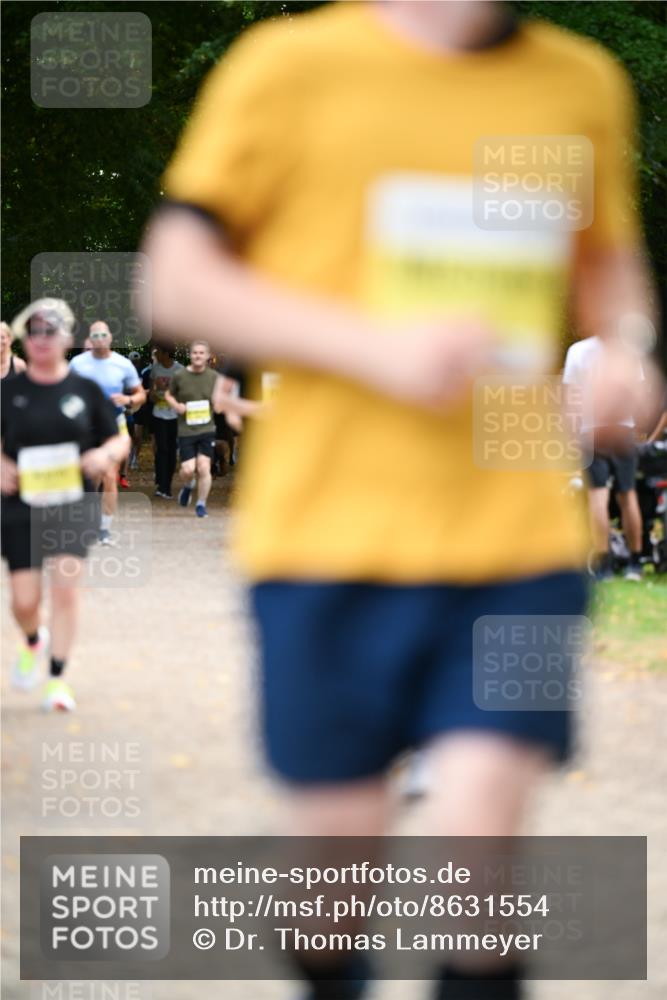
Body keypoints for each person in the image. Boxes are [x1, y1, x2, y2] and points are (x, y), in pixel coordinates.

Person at [142, 2, 662, 997]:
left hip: (514, 543)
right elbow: (175, 280)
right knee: (334, 877)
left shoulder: (576, 82)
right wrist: (374, 347)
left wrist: (627, 351)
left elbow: (605, 264)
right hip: (330, 539)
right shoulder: (287, 68)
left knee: (480, 863)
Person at [1, 299, 124, 711]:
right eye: (34, 331)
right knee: (24, 602)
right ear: (25, 339)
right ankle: (35, 640)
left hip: (72, 503)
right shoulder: (9, 391)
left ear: (67, 339)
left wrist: (105, 455)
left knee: (66, 593)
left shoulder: (84, 390)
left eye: (50, 331)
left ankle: (56, 680)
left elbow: (118, 437)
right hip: (20, 505)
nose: (42, 339)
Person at [563, 334, 646, 581]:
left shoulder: (577, 350)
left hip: (591, 430)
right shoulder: (628, 346)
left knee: (597, 496)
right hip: (622, 428)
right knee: (628, 495)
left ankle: (604, 566)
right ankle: (635, 563)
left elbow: (570, 397)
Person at [69, 321, 144, 543]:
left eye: (104, 334)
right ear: (90, 339)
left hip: (112, 424)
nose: (100, 338)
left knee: (110, 474)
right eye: (95, 335)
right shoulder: (77, 363)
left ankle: (104, 529)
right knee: (88, 475)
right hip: (85, 425)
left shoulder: (122, 364)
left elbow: (141, 394)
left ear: (111, 338)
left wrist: (128, 399)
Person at [164, 340, 229, 517]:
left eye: (201, 353)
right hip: (186, 430)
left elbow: (221, 398)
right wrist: (176, 406)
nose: (198, 356)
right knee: (187, 469)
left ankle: (201, 504)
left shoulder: (214, 377)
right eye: (195, 353)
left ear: (208, 356)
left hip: (207, 429)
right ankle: (188, 485)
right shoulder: (180, 376)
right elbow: (168, 395)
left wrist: (219, 405)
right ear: (190, 355)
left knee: (204, 467)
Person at [149, 345, 183, 498]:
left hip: (174, 415)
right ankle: (161, 485)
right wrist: (155, 395)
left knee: (170, 450)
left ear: (166, 353)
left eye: (158, 352)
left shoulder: (179, 370)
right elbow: (151, 392)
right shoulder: (155, 369)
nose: (156, 354)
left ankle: (166, 484)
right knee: (161, 448)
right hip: (159, 413)